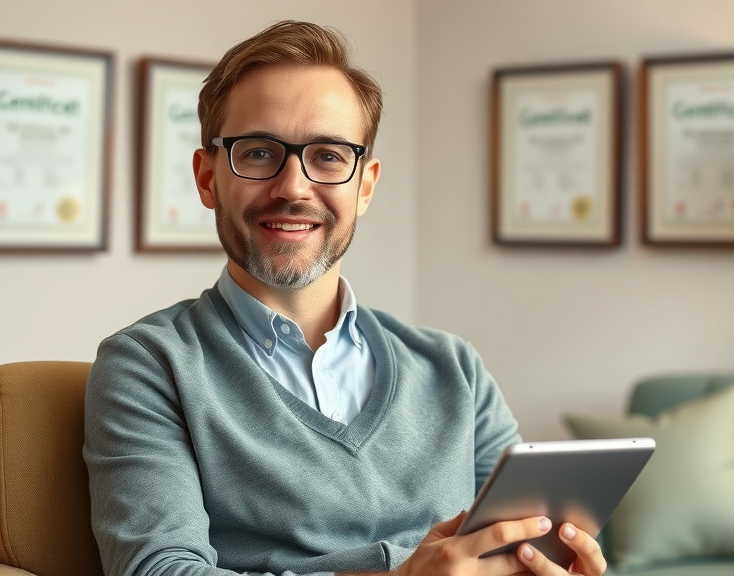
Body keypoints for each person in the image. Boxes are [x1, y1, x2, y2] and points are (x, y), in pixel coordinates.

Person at [83, 20, 607, 576]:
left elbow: (513, 552)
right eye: (259, 153)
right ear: (208, 178)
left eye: (328, 156)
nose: (292, 186)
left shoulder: (455, 371)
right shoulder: (149, 365)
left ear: (365, 186)